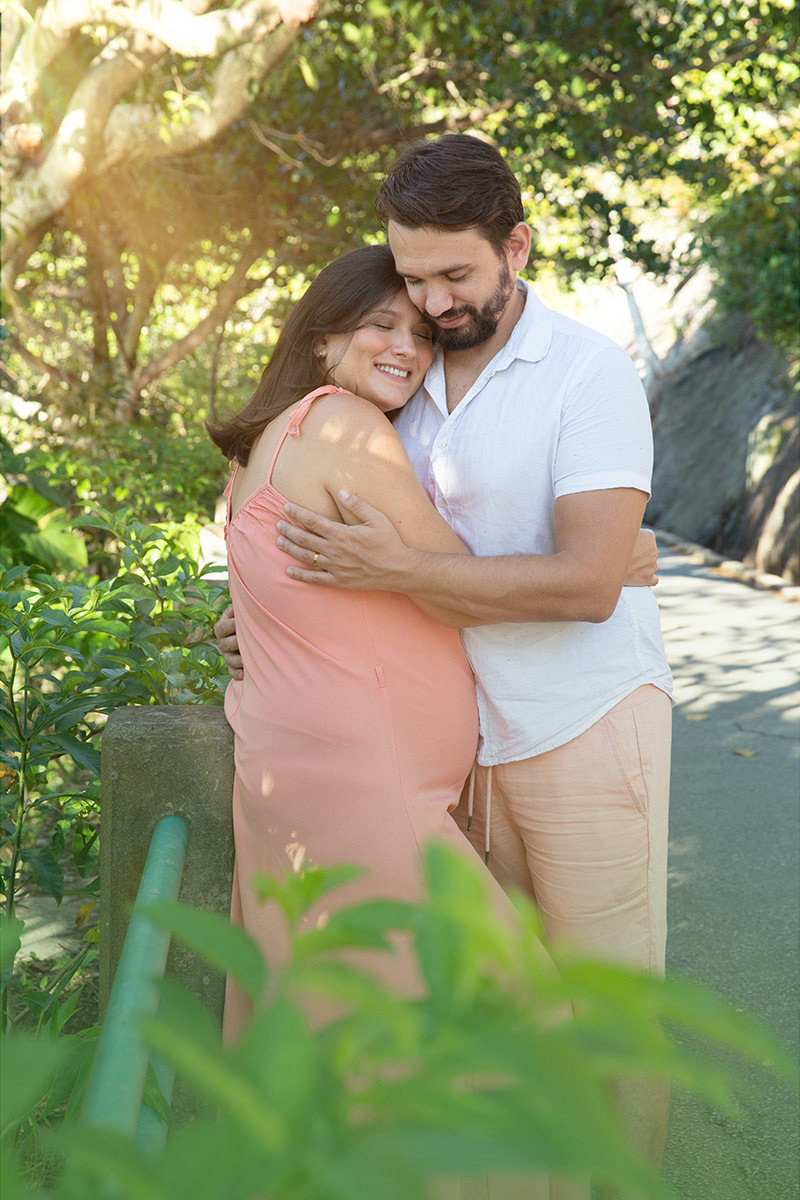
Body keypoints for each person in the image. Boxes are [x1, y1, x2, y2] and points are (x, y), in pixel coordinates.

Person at [215, 134, 674, 1197]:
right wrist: (272, 611)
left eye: (448, 279)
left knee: (603, 1005)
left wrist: (599, 562)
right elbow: (322, 534)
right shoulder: (400, 394)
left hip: (578, 721)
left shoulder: (586, 373)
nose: (427, 309)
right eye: (406, 285)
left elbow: (583, 584)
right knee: (488, 1015)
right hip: (468, 755)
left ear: (515, 244)